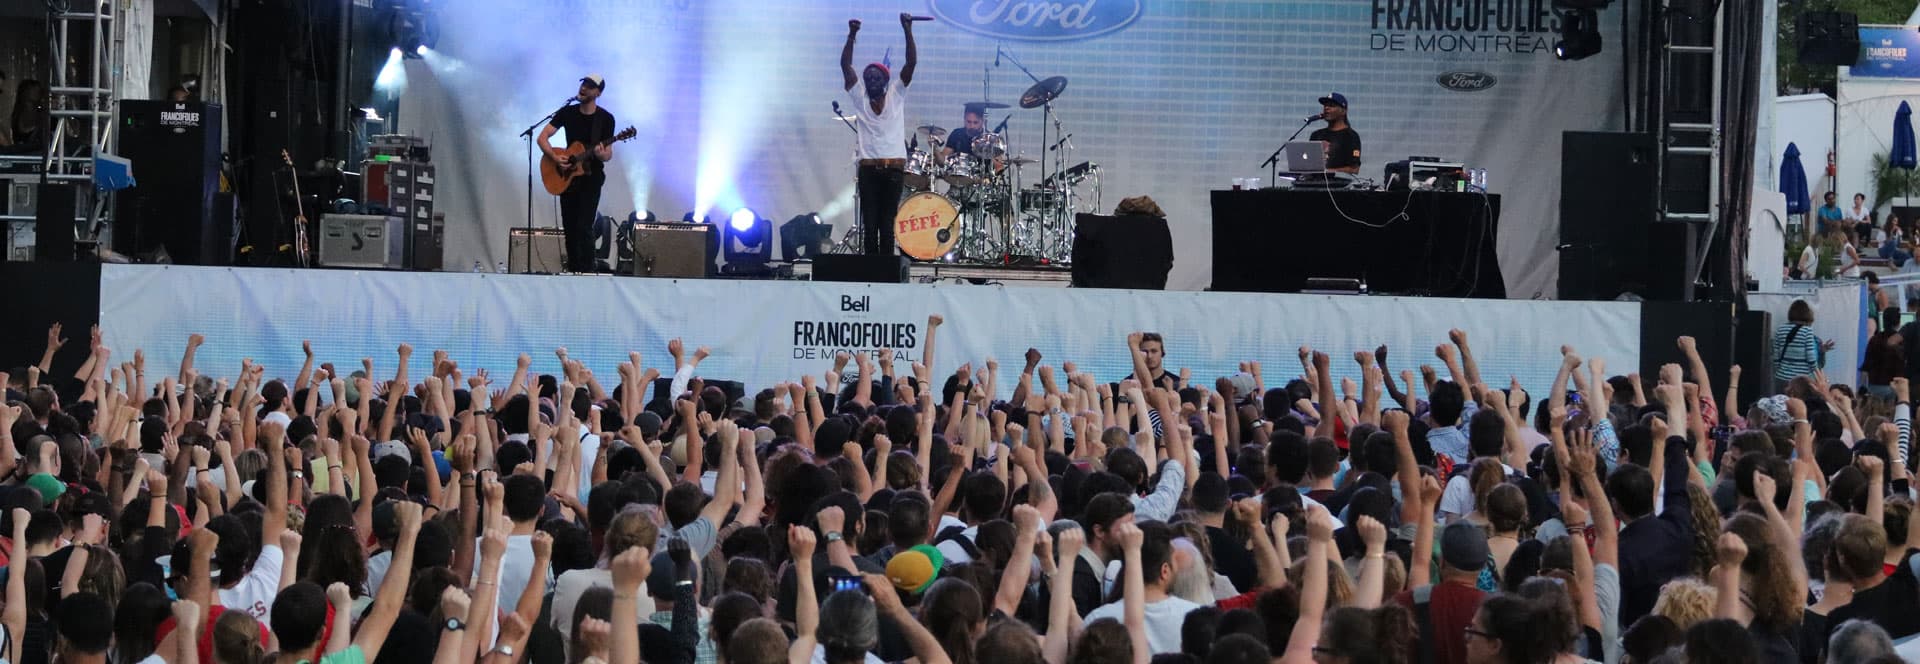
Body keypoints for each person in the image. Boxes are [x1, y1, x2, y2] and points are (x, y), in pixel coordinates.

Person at [840, 14, 918, 257]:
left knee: (887, 224)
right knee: (870, 224)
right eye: (868, 78)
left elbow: (910, 64)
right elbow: (845, 66)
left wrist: (907, 30)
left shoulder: (896, 94)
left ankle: (885, 270)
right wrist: (852, 36)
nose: (872, 81)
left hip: (893, 170)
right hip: (869, 169)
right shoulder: (859, 99)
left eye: (877, 78)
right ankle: (870, 270)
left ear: (886, 80)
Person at [537, 74, 616, 273]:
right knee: (570, 228)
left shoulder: (605, 119)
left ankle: (588, 272)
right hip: (568, 177)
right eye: (583, 84)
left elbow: (608, 155)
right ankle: (573, 271)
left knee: (584, 226)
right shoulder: (567, 112)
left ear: (598, 93)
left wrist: (600, 154)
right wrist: (555, 158)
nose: (584, 88)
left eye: (590, 86)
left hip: (591, 178)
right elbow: (542, 137)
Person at [1772, 299, 1834, 394]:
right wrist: (1816, 373)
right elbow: (1811, 358)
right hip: (1801, 381)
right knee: (1800, 407)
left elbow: (1775, 355)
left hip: (1781, 378)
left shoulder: (1780, 329)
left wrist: (1781, 370)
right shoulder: (1807, 331)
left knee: (1781, 406)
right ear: (1808, 314)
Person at [1308, 93, 1360, 175]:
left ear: (1343, 111)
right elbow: (1308, 163)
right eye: (1325, 105)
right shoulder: (1316, 135)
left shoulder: (1351, 136)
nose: (1326, 108)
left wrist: (1327, 172)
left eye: (1331, 105)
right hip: (1313, 183)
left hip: (1338, 186)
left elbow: (1354, 169)